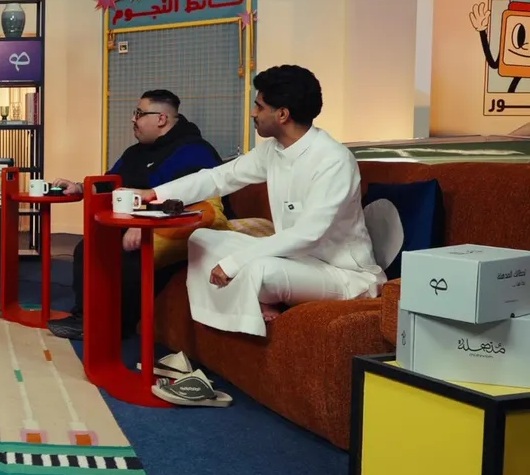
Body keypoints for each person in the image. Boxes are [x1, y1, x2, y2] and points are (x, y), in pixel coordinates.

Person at [135, 65, 385, 337]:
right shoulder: (273, 151)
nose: (253, 113)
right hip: (295, 260)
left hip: (343, 274)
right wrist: (155, 194)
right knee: (202, 240)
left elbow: (307, 234)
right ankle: (246, 306)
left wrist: (234, 263)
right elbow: (220, 177)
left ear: (282, 114)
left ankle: (250, 312)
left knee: (260, 270)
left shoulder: (333, 160)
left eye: (259, 106)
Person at [47, 89, 226, 340]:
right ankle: (86, 316)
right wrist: (79, 187)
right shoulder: (136, 152)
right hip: (138, 224)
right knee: (87, 247)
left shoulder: (195, 151)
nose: (133, 119)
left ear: (161, 119)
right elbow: (111, 182)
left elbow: (194, 204)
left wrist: (145, 225)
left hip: (181, 227)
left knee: (130, 255)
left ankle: (115, 325)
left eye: (139, 114)